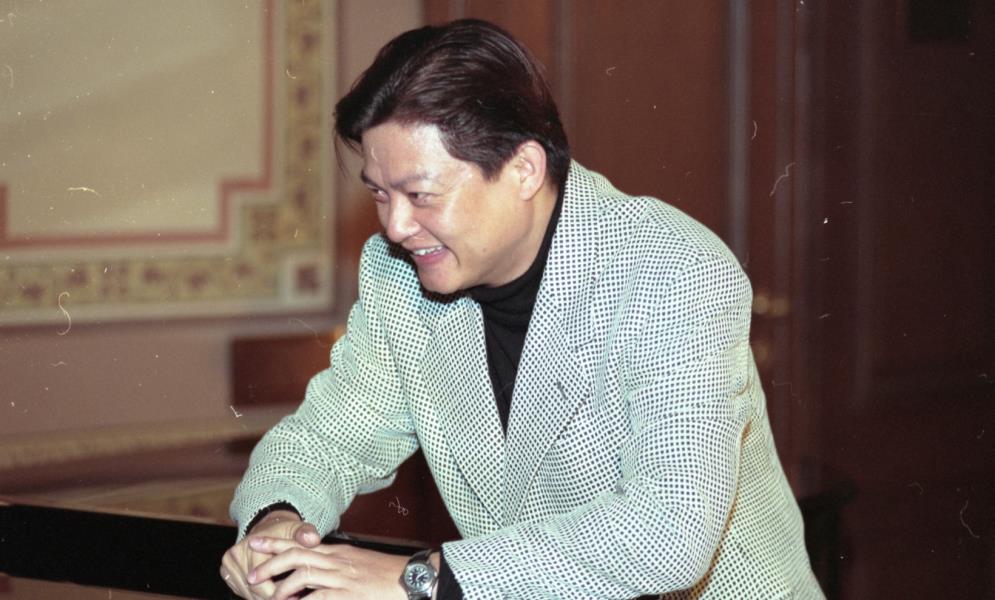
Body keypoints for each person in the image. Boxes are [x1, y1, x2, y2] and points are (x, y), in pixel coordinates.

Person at [220, 18, 824, 600]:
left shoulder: (674, 268)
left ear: (524, 170)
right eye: (380, 194)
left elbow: (669, 532)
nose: (396, 226)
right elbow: (329, 436)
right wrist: (278, 522)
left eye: (420, 194)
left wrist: (424, 579)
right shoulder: (396, 272)